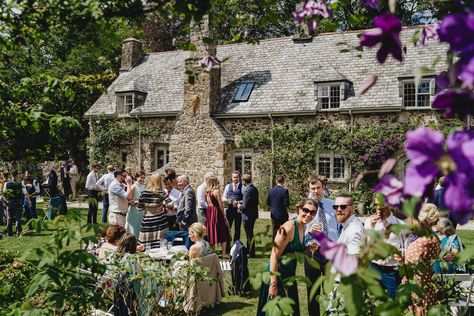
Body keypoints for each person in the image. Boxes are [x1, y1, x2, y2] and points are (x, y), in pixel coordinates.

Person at [256, 199, 318, 316]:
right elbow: (274, 256)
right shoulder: (288, 228)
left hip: (290, 276)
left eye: (312, 212)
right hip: (277, 275)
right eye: (306, 210)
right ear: (299, 210)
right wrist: (273, 285)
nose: (309, 214)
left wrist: (308, 249)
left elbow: (295, 253)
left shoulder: (303, 227)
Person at [304, 175, 337, 316]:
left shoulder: (333, 204)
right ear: (309, 189)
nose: (316, 191)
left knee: (331, 290)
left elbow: (341, 227)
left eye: (318, 187)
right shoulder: (305, 207)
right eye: (313, 188)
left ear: (323, 187)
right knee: (313, 290)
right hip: (313, 252)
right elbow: (299, 230)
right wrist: (309, 232)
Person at [402, 203, 441, 315]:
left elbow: (410, 265)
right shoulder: (432, 237)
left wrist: (401, 259)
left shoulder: (424, 241)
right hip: (425, 285)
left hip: (419, 288)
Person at [364, 196, 404, 299]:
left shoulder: (400, 224)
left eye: (382, 205)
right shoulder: (369, 221)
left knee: (394, 302)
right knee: (372, 302)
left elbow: (407, 248)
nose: (378, 208)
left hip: (391, 271)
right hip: (373, 267)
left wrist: (397, 252)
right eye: (376, 205)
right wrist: (372, 228)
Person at [138, 172, 168, 250]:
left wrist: (148, 208)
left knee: (146, 246)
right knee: (160, 246)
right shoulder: (162, 193)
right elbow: (171, 204)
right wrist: (162, 206)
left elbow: (139, 208)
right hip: (160, 220)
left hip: (147, 220)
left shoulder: (143, 193)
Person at [205, 176, 229, 258]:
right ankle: (224, 253)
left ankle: (213, 252)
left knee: (211, 231)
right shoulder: (216, 191)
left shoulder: (207, 192)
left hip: (209, 211)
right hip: (216, 212)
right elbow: (220, 204)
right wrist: (224, 215)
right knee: (223, 231)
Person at [3, 170, 30, 236]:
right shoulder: (21, 183)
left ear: (11, 175)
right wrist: (29, 200)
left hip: (10, 202)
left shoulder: (7, 183)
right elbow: (25, 192)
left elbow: (4, 193)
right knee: (18, 217)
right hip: (18, 202)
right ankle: (18, 231)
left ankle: (9, 232)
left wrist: (5, 201)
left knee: (9, 217)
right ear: (17, 175)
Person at [222, 171, 243, 252]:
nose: (235, 179)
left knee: (237, 229)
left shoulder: (242, 186)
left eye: (236, 177)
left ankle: (236, 246)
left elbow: (245, 198)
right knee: (228, 228)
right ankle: (227, 246)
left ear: (239, 177)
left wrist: (238, 202)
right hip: (230, 210)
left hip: (238, 211)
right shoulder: (228, 186)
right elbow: (223, 197)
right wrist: (230, 201)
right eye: (234, 177)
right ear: (232, 178)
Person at [240, 174, 259, 258]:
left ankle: (251, 252)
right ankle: (250, 251)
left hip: (247, 216)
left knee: (249, 234)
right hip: (253, 214)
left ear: (244, 181)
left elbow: (244, 207)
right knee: (250, 234)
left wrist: (238, 206)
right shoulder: (255, 189)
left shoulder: (247, 190)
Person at [125, 171, 146, 238]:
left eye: (143, 178)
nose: (142, 179)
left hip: (141, 211)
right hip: (134, 211)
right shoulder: (134, 186)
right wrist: (136, 202)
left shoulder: (143, 186)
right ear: (137, 177)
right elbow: (129, 199)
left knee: (139, 227)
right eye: (141, 177)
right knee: (134, 227)